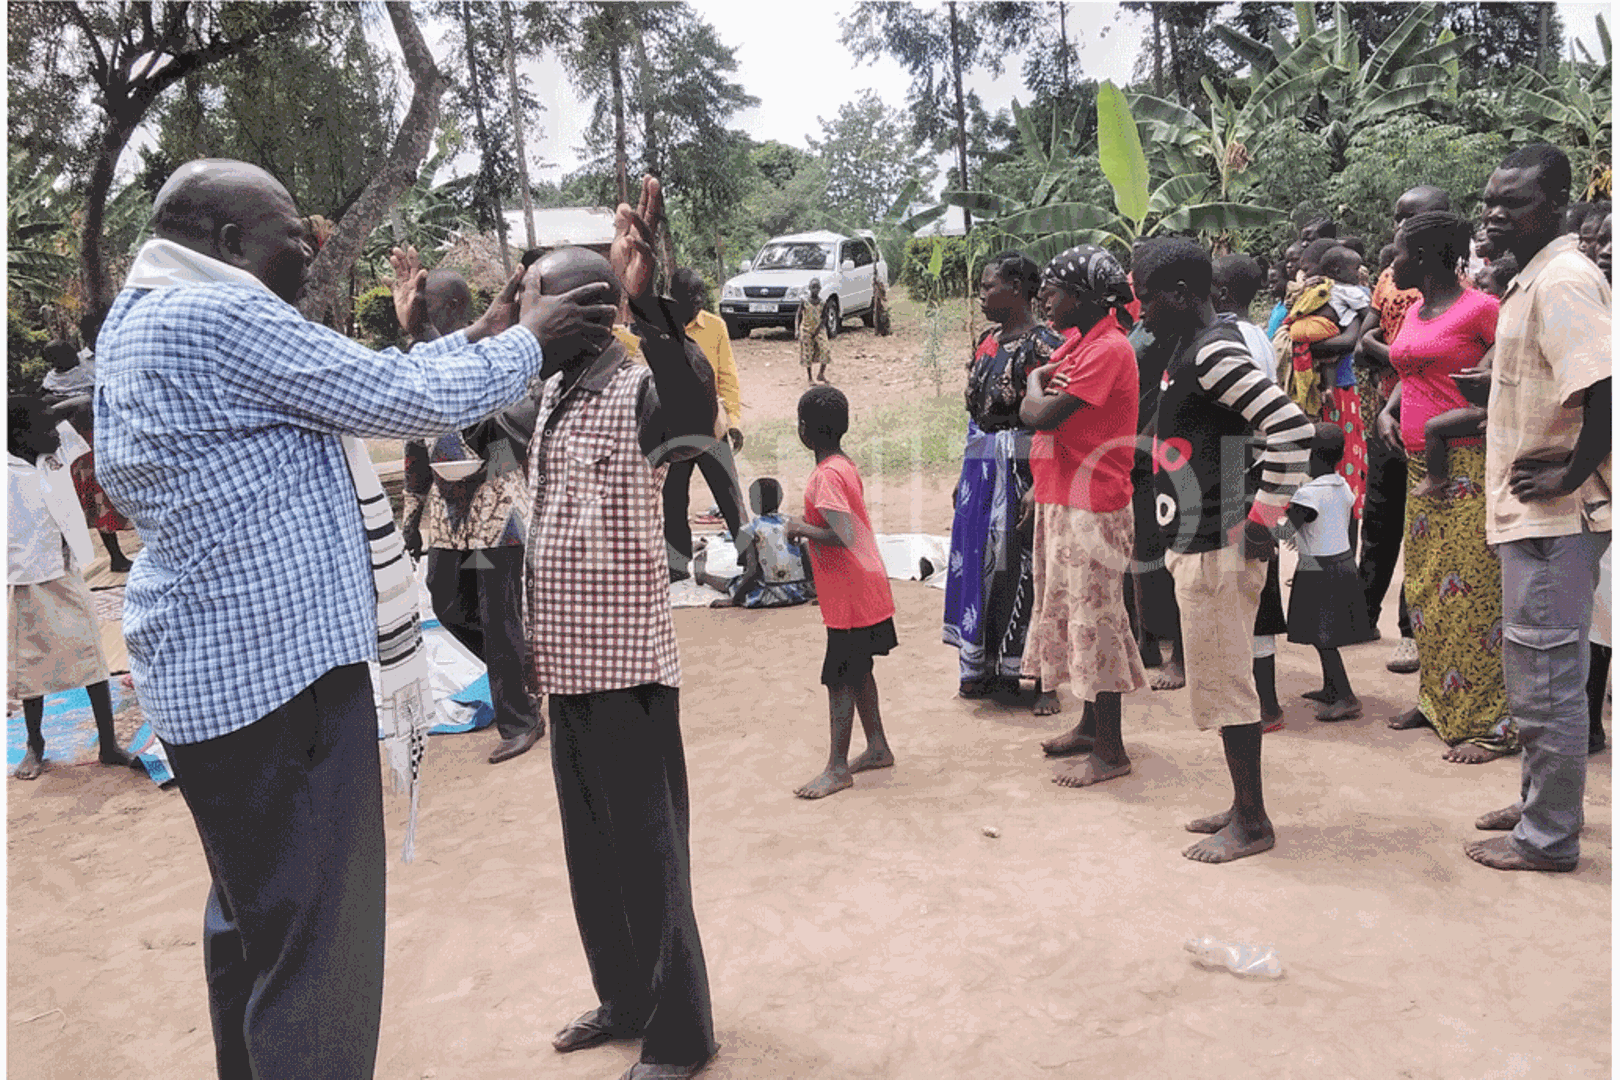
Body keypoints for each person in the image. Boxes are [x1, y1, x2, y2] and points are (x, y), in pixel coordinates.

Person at [95, 158, 618, 1080]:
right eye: (291, 235)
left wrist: (488, 332)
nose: (308, 249)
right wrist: (530, 341)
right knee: (319, 955)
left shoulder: (148, 315)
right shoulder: (221, 314)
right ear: (227, 245)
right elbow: (401, 401)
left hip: (213, 682)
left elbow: (359, 377)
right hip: (280, 686)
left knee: (258, 924)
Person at [527, 179, 722, 1078]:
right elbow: (458, 398)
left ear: (578, 312)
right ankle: (624, 997)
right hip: (566, 667)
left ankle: (682, 1035)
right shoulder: (556, 391)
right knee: (592, 853)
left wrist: (644, 298)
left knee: (650, 855)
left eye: (534, 296)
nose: (522, 312)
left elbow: (692, 412)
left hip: (628, 672)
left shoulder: (642, 385)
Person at [1137, 237, 1312, 864]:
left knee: (1228, 684)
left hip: (1219, 541)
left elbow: (1290, 426)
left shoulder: (1213, 353)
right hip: (1197, 534)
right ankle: (1242, 805)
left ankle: (1254, 821)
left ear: (1183, 295)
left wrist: (1265, 513)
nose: (1141, 312)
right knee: (1218, 677)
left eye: (1147, 300)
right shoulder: (1189, 348)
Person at [1468, 144, 1611, 873]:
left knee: (1548, 683)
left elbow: (1606, 385)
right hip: (1534, 518)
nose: (1496, 213)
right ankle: (1541, 805)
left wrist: (1572, 471)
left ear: (1553, 205)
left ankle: (1548, 836)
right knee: (1534, 674)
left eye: (1514, 201)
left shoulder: (1561, 280)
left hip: (1556, 520)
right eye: (1491, 199)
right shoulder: (1533, 280)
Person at [1380, 208, 1516, 765]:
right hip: (1417, 464)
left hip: (1463, 467)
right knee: (1426, 590)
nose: (1394, 263)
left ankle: (1489, 724)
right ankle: (1437, 701)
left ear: (1432, 257)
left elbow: (1510, 373)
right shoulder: (1415, 308)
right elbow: (1410, 371)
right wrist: (1389, 411)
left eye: (1402, 254)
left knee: (1473, 598)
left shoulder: (1482, 309)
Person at [399, 266, 545, 766]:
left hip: (497, 510)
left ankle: (520, 719)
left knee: (498, 615)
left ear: (459, 310)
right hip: (448, 513)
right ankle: (526, 674)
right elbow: (414, 449)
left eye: (432, 309)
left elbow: (520, 439)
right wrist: (411, 516)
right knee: (446, 602)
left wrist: (477, 470)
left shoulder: (503, 359)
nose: (427, 319)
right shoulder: (425, 365)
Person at [1016, 244, 1147, 786]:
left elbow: (1038, 412)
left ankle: (1111, 750)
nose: (1046, 298)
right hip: (1067, 497)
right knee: (1074, 615)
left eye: (1055, 290)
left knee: (1100, 623)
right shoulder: (1081, 344)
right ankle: (1091, 727)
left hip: (1093, 503)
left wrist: (1032, 384)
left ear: (1089, 298)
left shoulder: (1107, 351)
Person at [943, 252, 1063, 698]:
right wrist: (966, 473)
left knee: (1024, 568)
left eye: (989, 286)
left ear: (1017, 290)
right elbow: (976, 415)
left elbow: (1059, 421)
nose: (981, 296)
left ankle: (1033, 676)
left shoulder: (1044, 347)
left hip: (1023, 471)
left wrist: (1039, 483)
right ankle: (983, 664)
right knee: (980, 564)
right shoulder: (987, 342)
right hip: (982, 470)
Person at [8, 395, 140, 780]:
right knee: (33, 670)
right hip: (26, 579)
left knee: (92, 659)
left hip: (66, 573)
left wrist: (50, 406)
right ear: (19, 435)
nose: (56, 433)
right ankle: (36, 745)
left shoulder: (52, 454)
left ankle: (109, 744)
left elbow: (84, 402)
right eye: (45, 428)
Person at [785, 385, 897, 800]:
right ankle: (877, 746)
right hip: (862, 587)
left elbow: (842, 534)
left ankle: (837, 767)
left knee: (839, 678)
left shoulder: (826, 475)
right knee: (859, 668)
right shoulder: (842, 465)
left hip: (850, 594)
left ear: (804, 431)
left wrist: (799, 528)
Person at [1358, 186, 1452, 675]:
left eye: (1405, 217)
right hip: (1387, 412)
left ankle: (1411, 632)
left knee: (1421, 528)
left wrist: (1388, 350)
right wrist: (1391, 351)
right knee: (1379, 516)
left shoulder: (1460, 286)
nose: (1396, 226)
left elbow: (1393, 348)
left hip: (1433, 423)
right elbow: (1365, 338)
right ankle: (1361, 613)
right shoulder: (1392, 280)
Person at [1212, 253, 1289, 731]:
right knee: (1251, 594)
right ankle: (1262, 702)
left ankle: (1263, 706)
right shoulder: (1256, 333)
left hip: (1240, 468)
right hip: (1251, 467)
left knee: (1245, 595)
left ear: (1220, 293)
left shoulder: (1232, 340)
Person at [663, 267, 747, 579]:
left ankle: (747, 556)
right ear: (674, 297)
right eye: (691, 294)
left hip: (712, 426)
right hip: (673, 430)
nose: (698, 300)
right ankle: (676, 564)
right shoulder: (659, 328)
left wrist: (733, 421)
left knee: (729, 494)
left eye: (702, 293)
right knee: (672, 498)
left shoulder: (715, 326)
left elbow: (728, 377)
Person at [1286, 424, 1371, 721]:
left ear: (1309, 457)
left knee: (1323, 637)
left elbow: (1284, 530)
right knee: (1322, 633)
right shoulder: (1343, 486)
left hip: (1319, 571)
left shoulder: (1308, 495)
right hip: (1342, 564)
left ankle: (1346, 696)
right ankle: (1331, 687)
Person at [692, 478, 813, 609]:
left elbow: (752, 571)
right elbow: (808, 561)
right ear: (781, 498)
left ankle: (703, 575)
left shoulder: (750, 529)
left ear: (754, 502)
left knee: (733, 582)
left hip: (766, 596)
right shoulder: (795, 523)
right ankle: (703, 575)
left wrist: (734, 600)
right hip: (798, 593)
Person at [796, 278, 830, 384]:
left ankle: (821, 374)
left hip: (819, 329)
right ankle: (810, 377)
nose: (815, 290)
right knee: (807, 353)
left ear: (820, 289)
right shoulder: (804, 301)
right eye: (813, 287)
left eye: (817, 287)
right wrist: (797, 330)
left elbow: (825, 317)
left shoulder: (823, 303)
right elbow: (798, 315)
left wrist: (819, 328)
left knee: (825, 350)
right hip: (806, 329)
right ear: (809, 288)